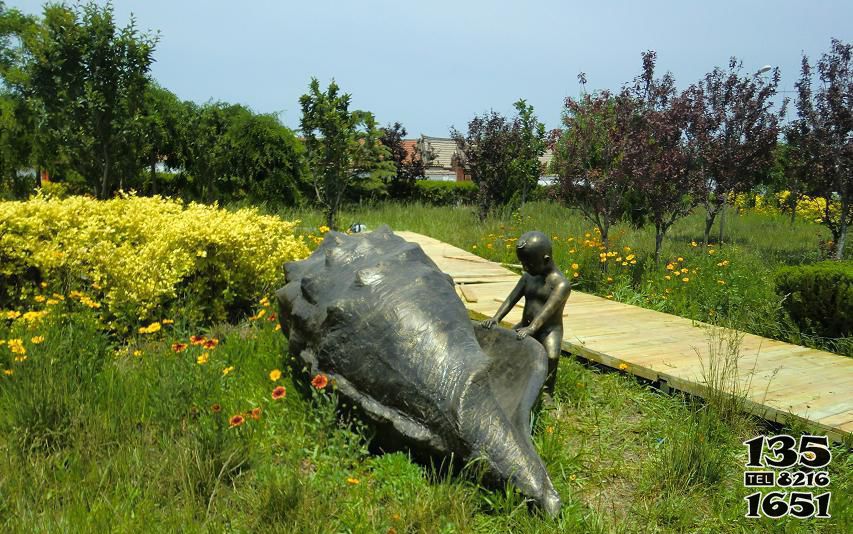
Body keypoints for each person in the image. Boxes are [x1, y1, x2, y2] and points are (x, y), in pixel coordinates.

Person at [481, 231, 570, 399]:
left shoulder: (561, 284)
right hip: (525, 325)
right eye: (522, 263)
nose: (524, 268)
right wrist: (496, 318)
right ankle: (509, 379)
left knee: (551, 355)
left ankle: (546, 393)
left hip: (548, 330)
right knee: (503, 346)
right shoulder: (528, 278)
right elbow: (511, 299)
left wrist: (532, 328)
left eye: (528, 264)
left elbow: (547, 312)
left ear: (545, 260)